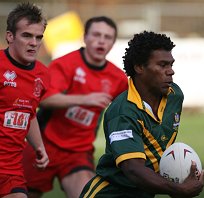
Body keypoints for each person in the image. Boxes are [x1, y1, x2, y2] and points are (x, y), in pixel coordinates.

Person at [80, 31, 204, 198]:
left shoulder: (175, 95)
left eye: (171, 64)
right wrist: (179, 189)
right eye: (162, 65)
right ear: (139, 67)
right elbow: (134, 170)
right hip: (111, 192)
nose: (171, 71)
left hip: (145, 192)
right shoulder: (123, 111)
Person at [22, 16, 128, 198]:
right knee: (22, 194)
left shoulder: (117, 77)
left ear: (112, 43)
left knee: (85, 194)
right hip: (43, 144)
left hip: (78, 152)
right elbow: (44, 99)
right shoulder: (64, 64)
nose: (101, 41)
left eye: (107, 37)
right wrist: (85, 99)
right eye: (96, 35)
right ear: (85, 37)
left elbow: (129, 109)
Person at [0, 2, 49, 198]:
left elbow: (29, 114)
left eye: (38, 37)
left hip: (11, 170)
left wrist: (39, 147)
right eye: (27, 35)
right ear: (10, 36)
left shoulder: (42, 75)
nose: (34, 43)